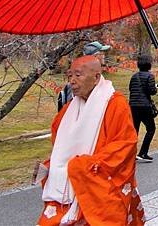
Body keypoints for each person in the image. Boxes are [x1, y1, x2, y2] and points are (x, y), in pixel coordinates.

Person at [37, 55, 144, 226]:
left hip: (99, 182)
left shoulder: (115, 104)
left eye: (78, 75)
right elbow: (59, 144)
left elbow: (125, 145)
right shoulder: (68, 109)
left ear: (96, 77)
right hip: (71, 185)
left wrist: (84, 166)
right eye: (69, 75)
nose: (71, 81)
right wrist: (52, 166)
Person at [129, 54, 158, 161]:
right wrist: (155, 87)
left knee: (134, 131)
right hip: (145, 106)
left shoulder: (134, 76)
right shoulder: (150, 76)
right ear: (149, 64)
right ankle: (143, 152)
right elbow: (152, 91)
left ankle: (131, 154)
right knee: (151, 129)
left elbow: (131, 89)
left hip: (133, 106)